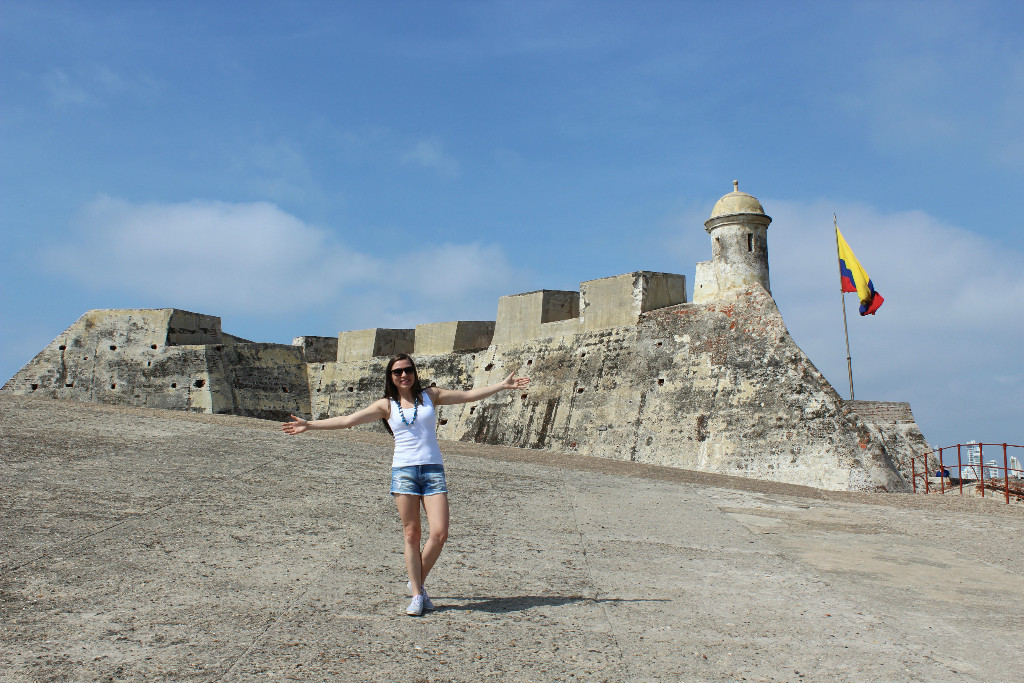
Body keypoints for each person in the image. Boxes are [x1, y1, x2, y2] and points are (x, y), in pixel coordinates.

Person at [282, 353, 529, 616]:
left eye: (408, 370)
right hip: (404, 472)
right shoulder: (385, 405)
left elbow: (468, 395)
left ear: (414, 372)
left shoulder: (430, 395)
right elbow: (348, 420)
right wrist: (310, 425)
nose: (403, 375)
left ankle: (416, 582)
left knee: (440, 533)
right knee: (412, 534)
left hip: (433, 471)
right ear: (390, 376)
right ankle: (417, 595)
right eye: (397, 371)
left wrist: (501, 386)